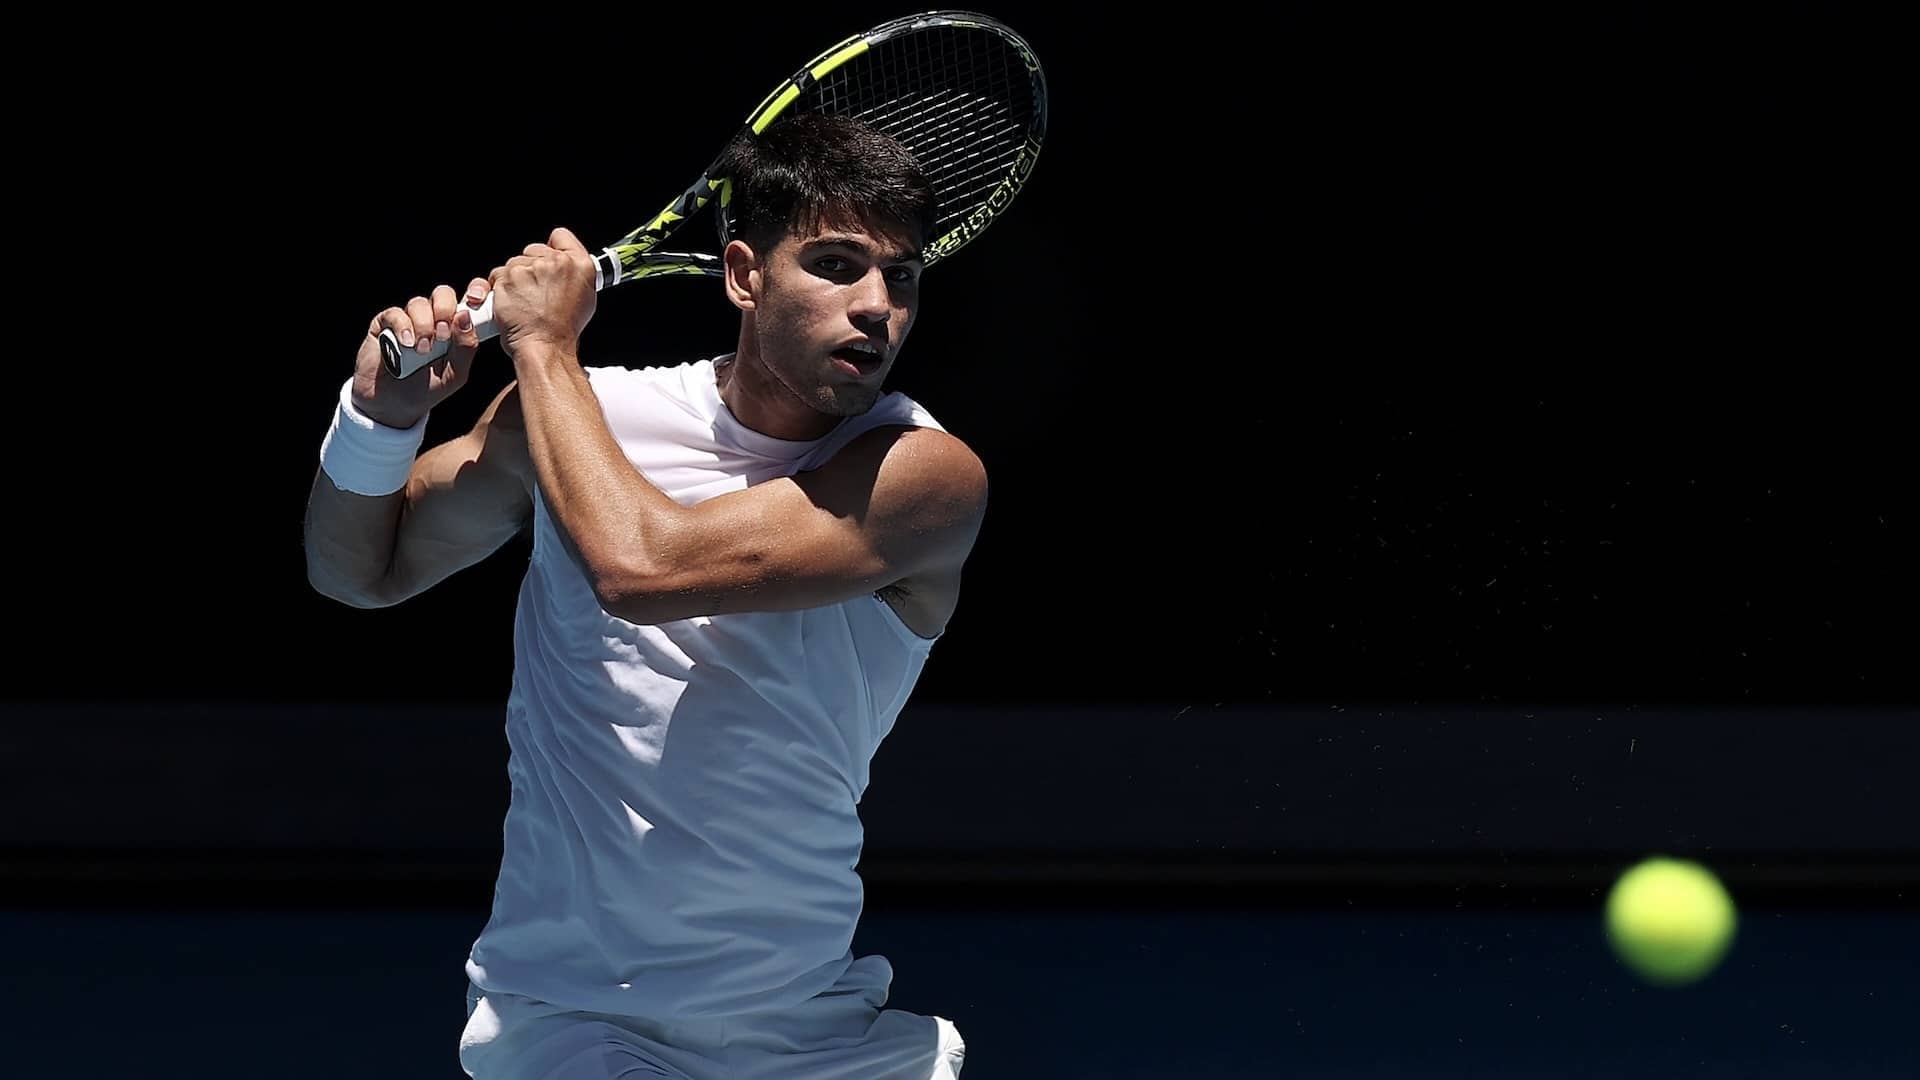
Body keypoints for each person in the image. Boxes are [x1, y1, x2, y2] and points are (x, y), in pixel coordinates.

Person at [304, 113, 984, 1079]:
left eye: (902, 275)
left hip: (817, 1038)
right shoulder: (591, 416)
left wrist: (542, 346)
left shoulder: (924, 477)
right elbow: (358, 573)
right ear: (744, 275)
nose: (878, 305)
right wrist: (379, 419)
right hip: (575, 1026)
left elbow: (641, 571)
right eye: (837, 264)